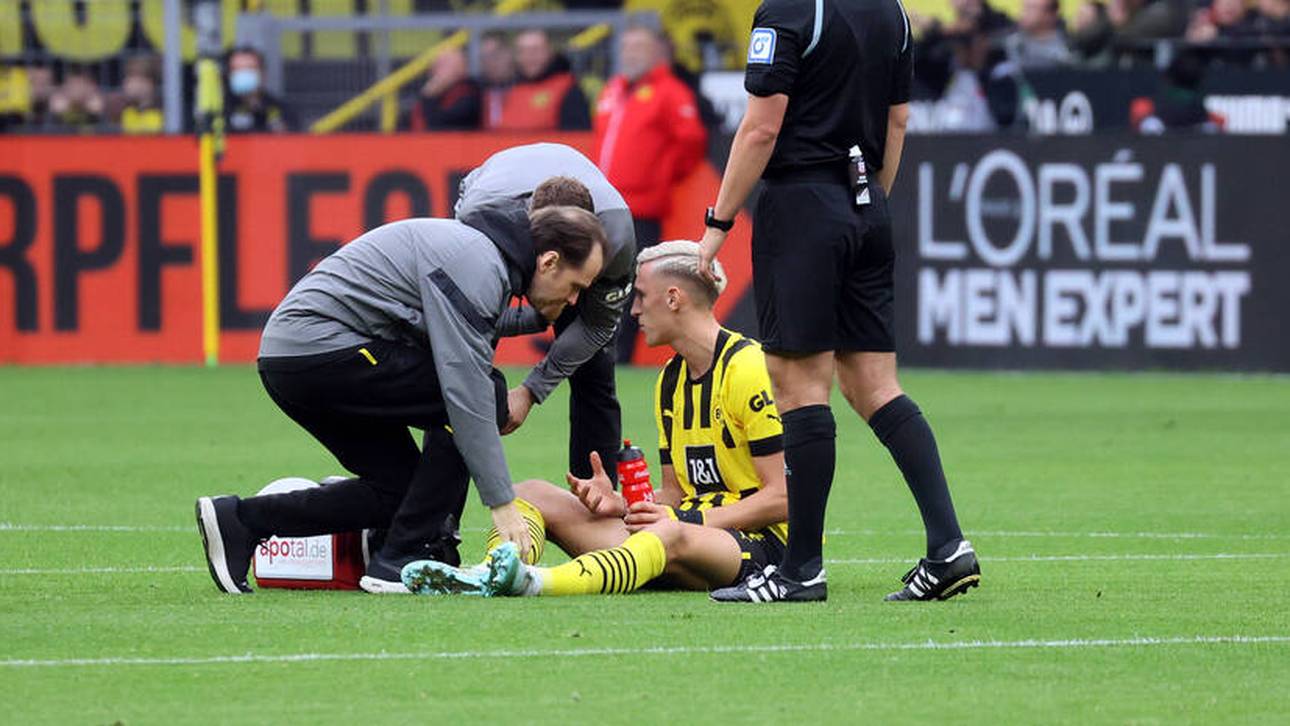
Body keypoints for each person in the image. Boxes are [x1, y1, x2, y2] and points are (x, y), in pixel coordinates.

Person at [696, 0, 979, 603]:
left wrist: (717, 223)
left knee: (799, 385)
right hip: (867, 202)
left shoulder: (789, 11)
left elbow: (761, 128)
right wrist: (869, 204)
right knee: (875, 385)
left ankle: (801, 570)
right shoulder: (894, 13)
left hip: (803, 206)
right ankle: (949, 548)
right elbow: (897, 122)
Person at [194, 200, 608, 594]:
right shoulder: (479, 263)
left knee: (398, 490)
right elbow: (466, 393)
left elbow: (469, 317)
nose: (574, 300)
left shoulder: (480, 254)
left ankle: (242, 520)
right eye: (575, 287)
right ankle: (403, 554)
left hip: (295, 360)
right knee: (488, 394)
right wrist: (502, 503)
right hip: (323, 353)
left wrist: (539, 315)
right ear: (549, 261)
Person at [401, 241, 790, 599]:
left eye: (639, 296)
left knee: (667, 532)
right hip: (683, 532)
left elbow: (783, 498)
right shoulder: (671, 380)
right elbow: (674, 495)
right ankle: (492, 573)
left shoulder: (748, 368)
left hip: (761, 546)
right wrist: (622, 503)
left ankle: (537, 583)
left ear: (673, 298)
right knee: (528, 492)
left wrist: (687, 517)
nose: (633, 310)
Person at [353, 144, 639, 594]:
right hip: (489, 211)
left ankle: (597, 524)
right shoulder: (482, 225)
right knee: (460, 378)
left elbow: (596, 326)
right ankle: (435, 530)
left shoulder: (615, 240)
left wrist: (531, 390)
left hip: (583, 245)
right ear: (533, 238)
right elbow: (461, 356)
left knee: (595, 378)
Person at [594, 23, 708, 363]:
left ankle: (618, 354)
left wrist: (659, 175)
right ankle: (598, 347)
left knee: (630, 282)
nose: (630, 54)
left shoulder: (670, 91)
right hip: (606, 205)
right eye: (626, 47)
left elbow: (691, 141)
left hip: (640, 205)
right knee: (601, 280)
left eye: (638, 47)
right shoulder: (614, 89)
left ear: (658, 52)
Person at [484, 29, 591, 131]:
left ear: (549, 52)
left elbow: (577, 137)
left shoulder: (568, 89)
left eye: (535, 50)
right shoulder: (512, 88)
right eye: (523, 51)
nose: (529, 57)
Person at [223, 46, 297, 133]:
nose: (244, 74)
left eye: (249, 69)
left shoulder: (280, 109)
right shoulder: (221, 111)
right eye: (238, 69)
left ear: (262, 73)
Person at [407, 47, 481, 130]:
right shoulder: (437, 92)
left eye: (442, 65)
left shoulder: (470, 94)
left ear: (460, 68)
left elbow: (437, 125)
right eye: (435, 65)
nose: (434, 70)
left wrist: (429, 97)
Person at [1003, 0, 1076, 68]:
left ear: (1050, 15)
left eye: (1031, 9)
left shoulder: (1068, 49)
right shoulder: (1010, 43)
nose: (1023, 14)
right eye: (1024, 8)